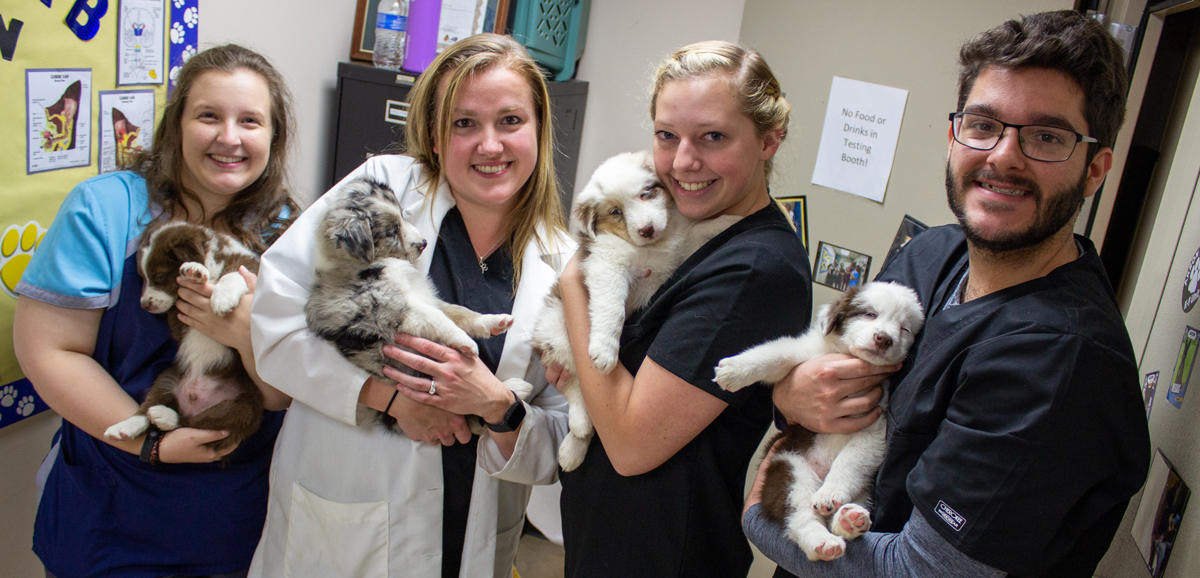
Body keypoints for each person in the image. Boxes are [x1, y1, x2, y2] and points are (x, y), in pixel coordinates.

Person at [745, 11, 1151, 577]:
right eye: (984, 125)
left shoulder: (1058, 359)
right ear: (954, 135)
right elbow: (827, 374)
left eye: (1047, 137)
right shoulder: (931, 253)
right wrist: (788, 396)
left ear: (1094, 170)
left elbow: (921, 570)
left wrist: (758, 519)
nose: (1004, 155)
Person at [247, 34, 572, 578]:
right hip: (344, 517)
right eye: (464, 123)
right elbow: (274, 323)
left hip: (472, 533)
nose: (489, 145)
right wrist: (386, 398)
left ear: (539, 127)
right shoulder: (383, 190)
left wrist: (498, 406)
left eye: (510, 121)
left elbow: (564, 438)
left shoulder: (564, 263)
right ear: (435, 137)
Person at [13, 44, 298, 578]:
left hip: (235, 509)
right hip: (113, 502)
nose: (229, 137)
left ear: (273, 137)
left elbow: (283, 391)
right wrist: (151, 444)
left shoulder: (286, 230)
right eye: (208, 115)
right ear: (177, 126)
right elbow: (49, 349)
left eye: (250, 121)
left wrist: (241, 335)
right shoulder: (106, 208)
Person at [551, 41, 812, 577]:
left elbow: (629, 442)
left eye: (713, 137)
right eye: (667, 136)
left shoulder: (754, 271)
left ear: (770, 139)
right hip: (611, 538)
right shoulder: (698, 233)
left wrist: (576, 283)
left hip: (665, 554)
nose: (684, 162)